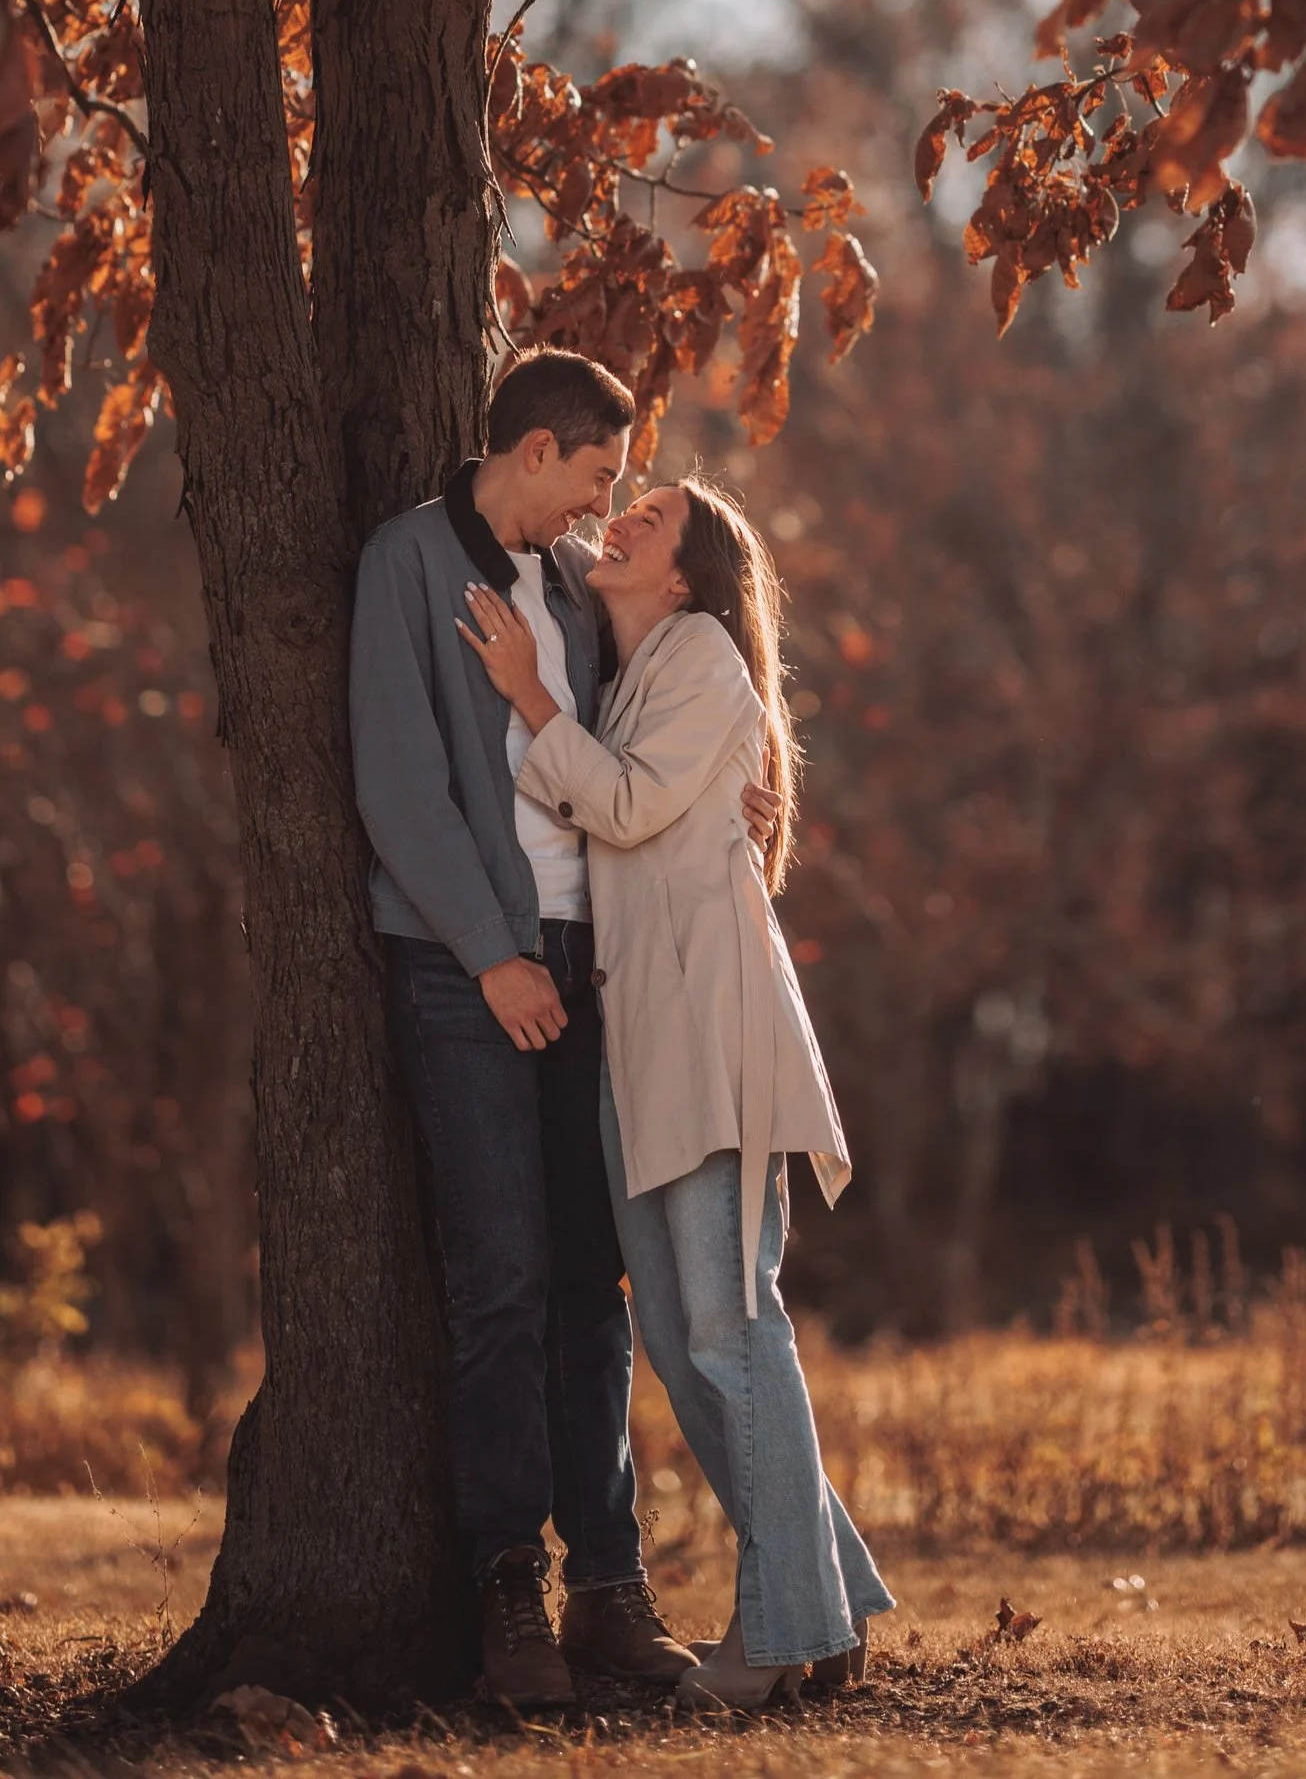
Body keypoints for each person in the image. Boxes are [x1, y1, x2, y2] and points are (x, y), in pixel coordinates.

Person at [462, 473, 893, 1712]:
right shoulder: (632, 662)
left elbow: (632, 805)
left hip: (712, 1038)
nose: (625, 515)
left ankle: (780, 1631)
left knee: (728, 1326)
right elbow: (640, 809)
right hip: (642, 1050)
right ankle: (835, 1595)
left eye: (651, 513)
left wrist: (531, 701)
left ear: (692, 573)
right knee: (682, 1335)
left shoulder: (700, 650)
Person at [348, 347, 697, 1713]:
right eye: (595, 476)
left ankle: (611, 1582)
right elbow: (399, 781)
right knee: (497, 1278)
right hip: (464, 966)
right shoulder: (407, 565)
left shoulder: (566, 586)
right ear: (536, 448)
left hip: (587, 961)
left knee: (590, 1280)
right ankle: (512, 1585)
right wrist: (491, 954)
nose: (600, 507)